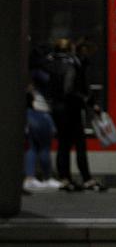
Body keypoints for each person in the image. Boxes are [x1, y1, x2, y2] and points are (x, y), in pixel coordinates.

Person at [48, 38, 105, 192]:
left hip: (57, 108)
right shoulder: (72, 64)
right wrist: (87, 100)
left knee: (63, 145)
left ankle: (65, 178)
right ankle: (86, 178)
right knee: (80, 143)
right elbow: (70, 87)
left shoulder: (51, 63)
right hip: (71, 108)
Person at [23, 46, 61, 192]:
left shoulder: (29, 73)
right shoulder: (43, 74)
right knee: (44, 147)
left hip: (30, 112)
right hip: (42, 111)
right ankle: (47, 177)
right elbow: (53, 87)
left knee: (31, 146)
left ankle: (30, 178)